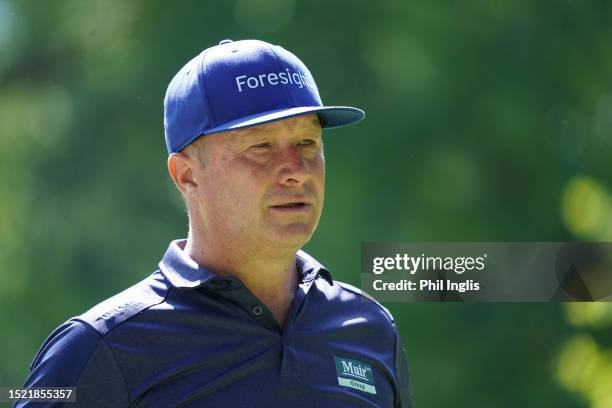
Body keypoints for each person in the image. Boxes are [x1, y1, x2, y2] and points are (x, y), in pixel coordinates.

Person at [15, 39, 411, 407]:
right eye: (261, 147)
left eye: (308, 144)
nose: (296, 171)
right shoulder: (98, 348)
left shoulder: (371, 329)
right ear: (186, 175)